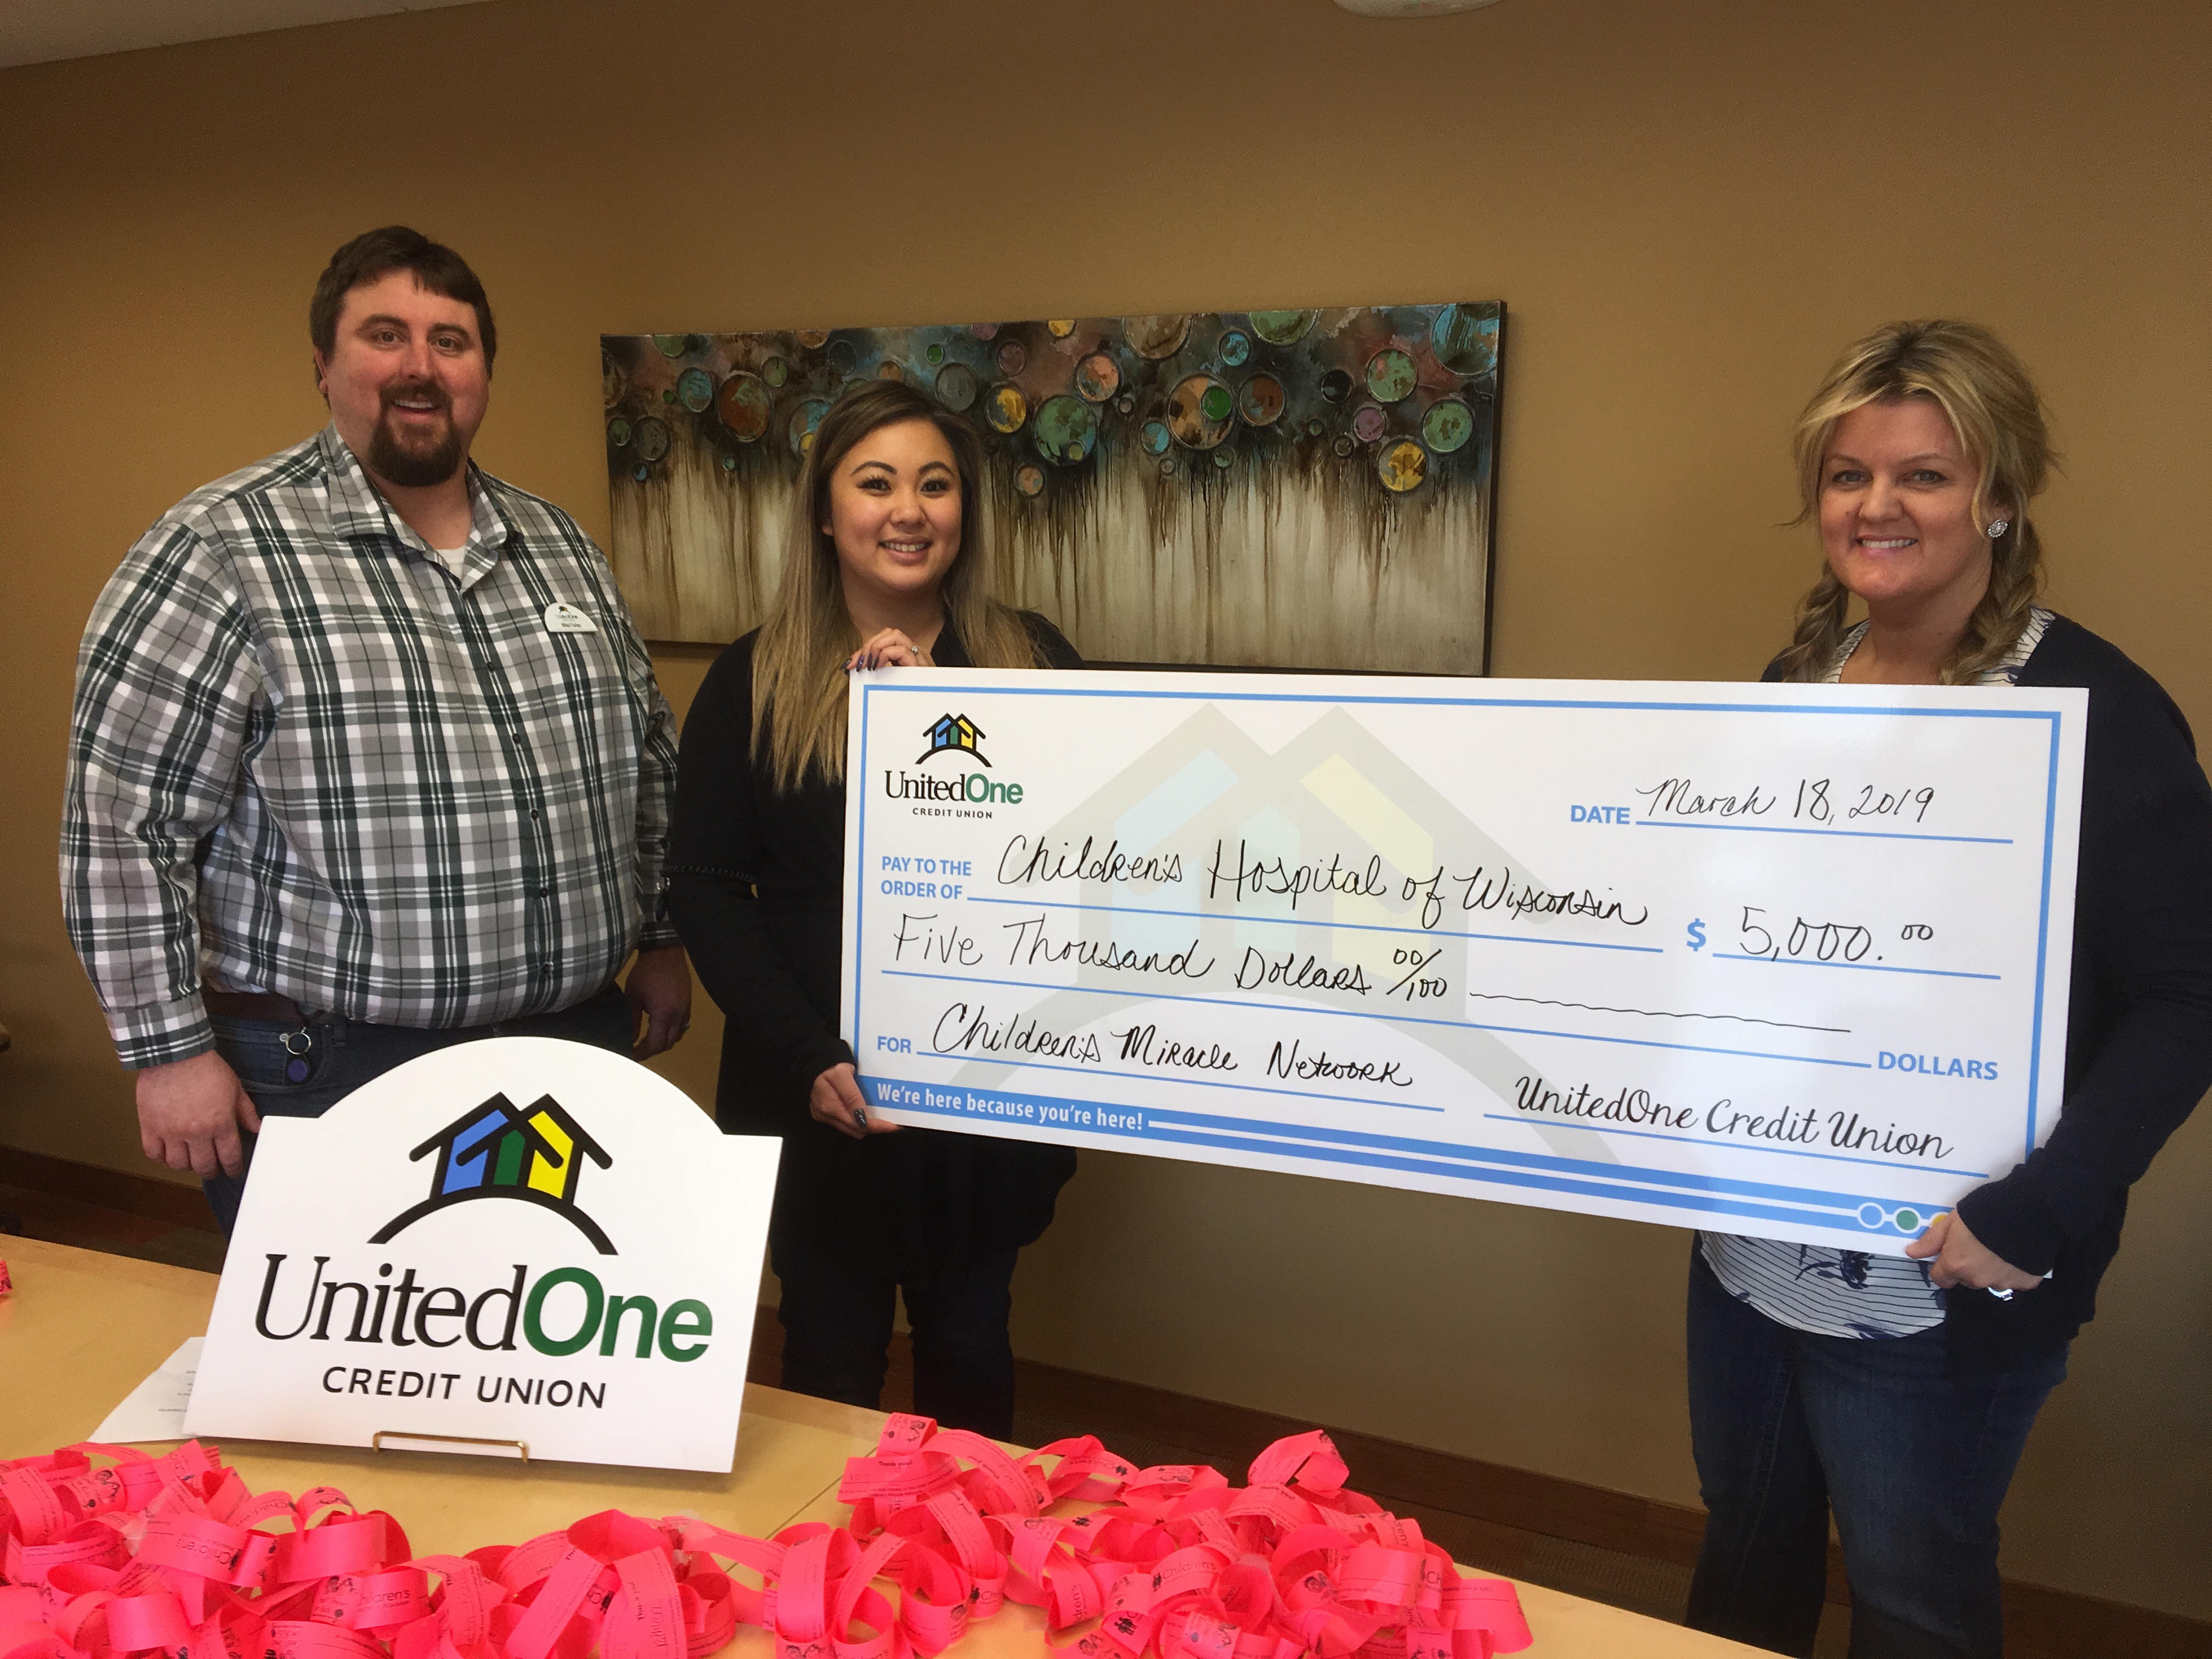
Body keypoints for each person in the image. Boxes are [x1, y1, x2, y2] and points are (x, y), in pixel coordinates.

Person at [1685, 320, 2212, 1658]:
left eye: (1924, 474)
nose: (1878, 505)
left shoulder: (2097, 708)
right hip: (1748, 1249)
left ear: (2000, 497)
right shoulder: (1795, 683)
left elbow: (2190, 995)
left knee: (1915, 1604)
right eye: (1847, 475)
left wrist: (2036, 1209)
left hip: (1943, 1274)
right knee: (1742, 1569)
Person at [62, 226, 691, 1234]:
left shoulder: (559, 547)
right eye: (385, 335)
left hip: (571, 1048)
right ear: (323, 366)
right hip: (330, 1069)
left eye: (451, 340)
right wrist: (167, 1050)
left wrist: (658, 934)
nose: (419, 367)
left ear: (484, 371)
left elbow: (646, 763)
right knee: (354, 1383)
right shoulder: (219, 551)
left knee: (556, 1359)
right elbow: (122, 827)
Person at [668, 379, 1079, 1440]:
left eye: (935, 485)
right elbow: (710, 892)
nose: (909, 510)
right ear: (824, 510)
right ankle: (830, 1588)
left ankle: (980, 1574)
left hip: (982, 1104)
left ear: (966, 511)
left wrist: (943, 699)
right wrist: (806, 1052)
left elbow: (1080, 855)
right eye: (877, 482)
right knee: (832, 1358)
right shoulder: (752, 679)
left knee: (971, 1341)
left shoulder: (1033, 661)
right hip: (815, 1091)